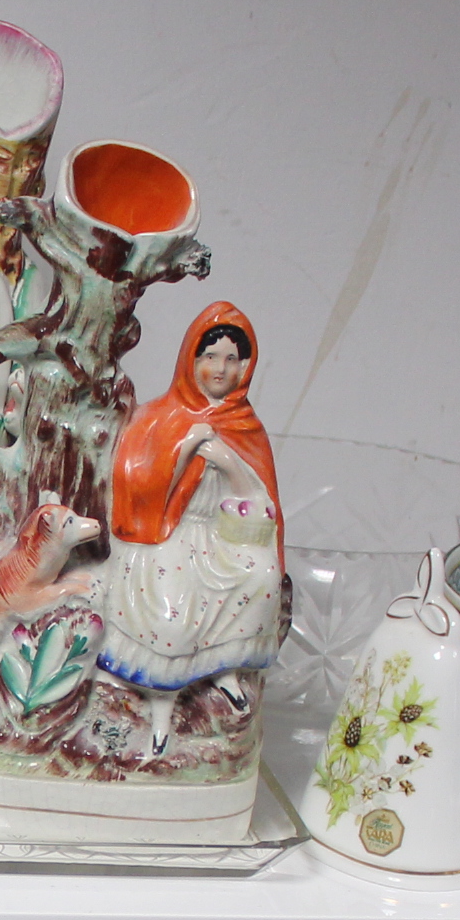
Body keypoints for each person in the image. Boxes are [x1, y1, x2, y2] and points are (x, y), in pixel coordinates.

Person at [98, 301, 286, 753]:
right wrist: (184, 449)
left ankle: (223, 668)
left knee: (261, 578)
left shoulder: (244, 425)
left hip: (221, 536)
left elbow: (258, 498)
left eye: (232, 359)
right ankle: (160, 705)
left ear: (246, 365)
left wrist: (223, 457)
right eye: (211, 356)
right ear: (191, 359)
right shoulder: (156, 418)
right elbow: (135, 487)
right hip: (163, 535)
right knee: (172, 613)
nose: (221, 368)